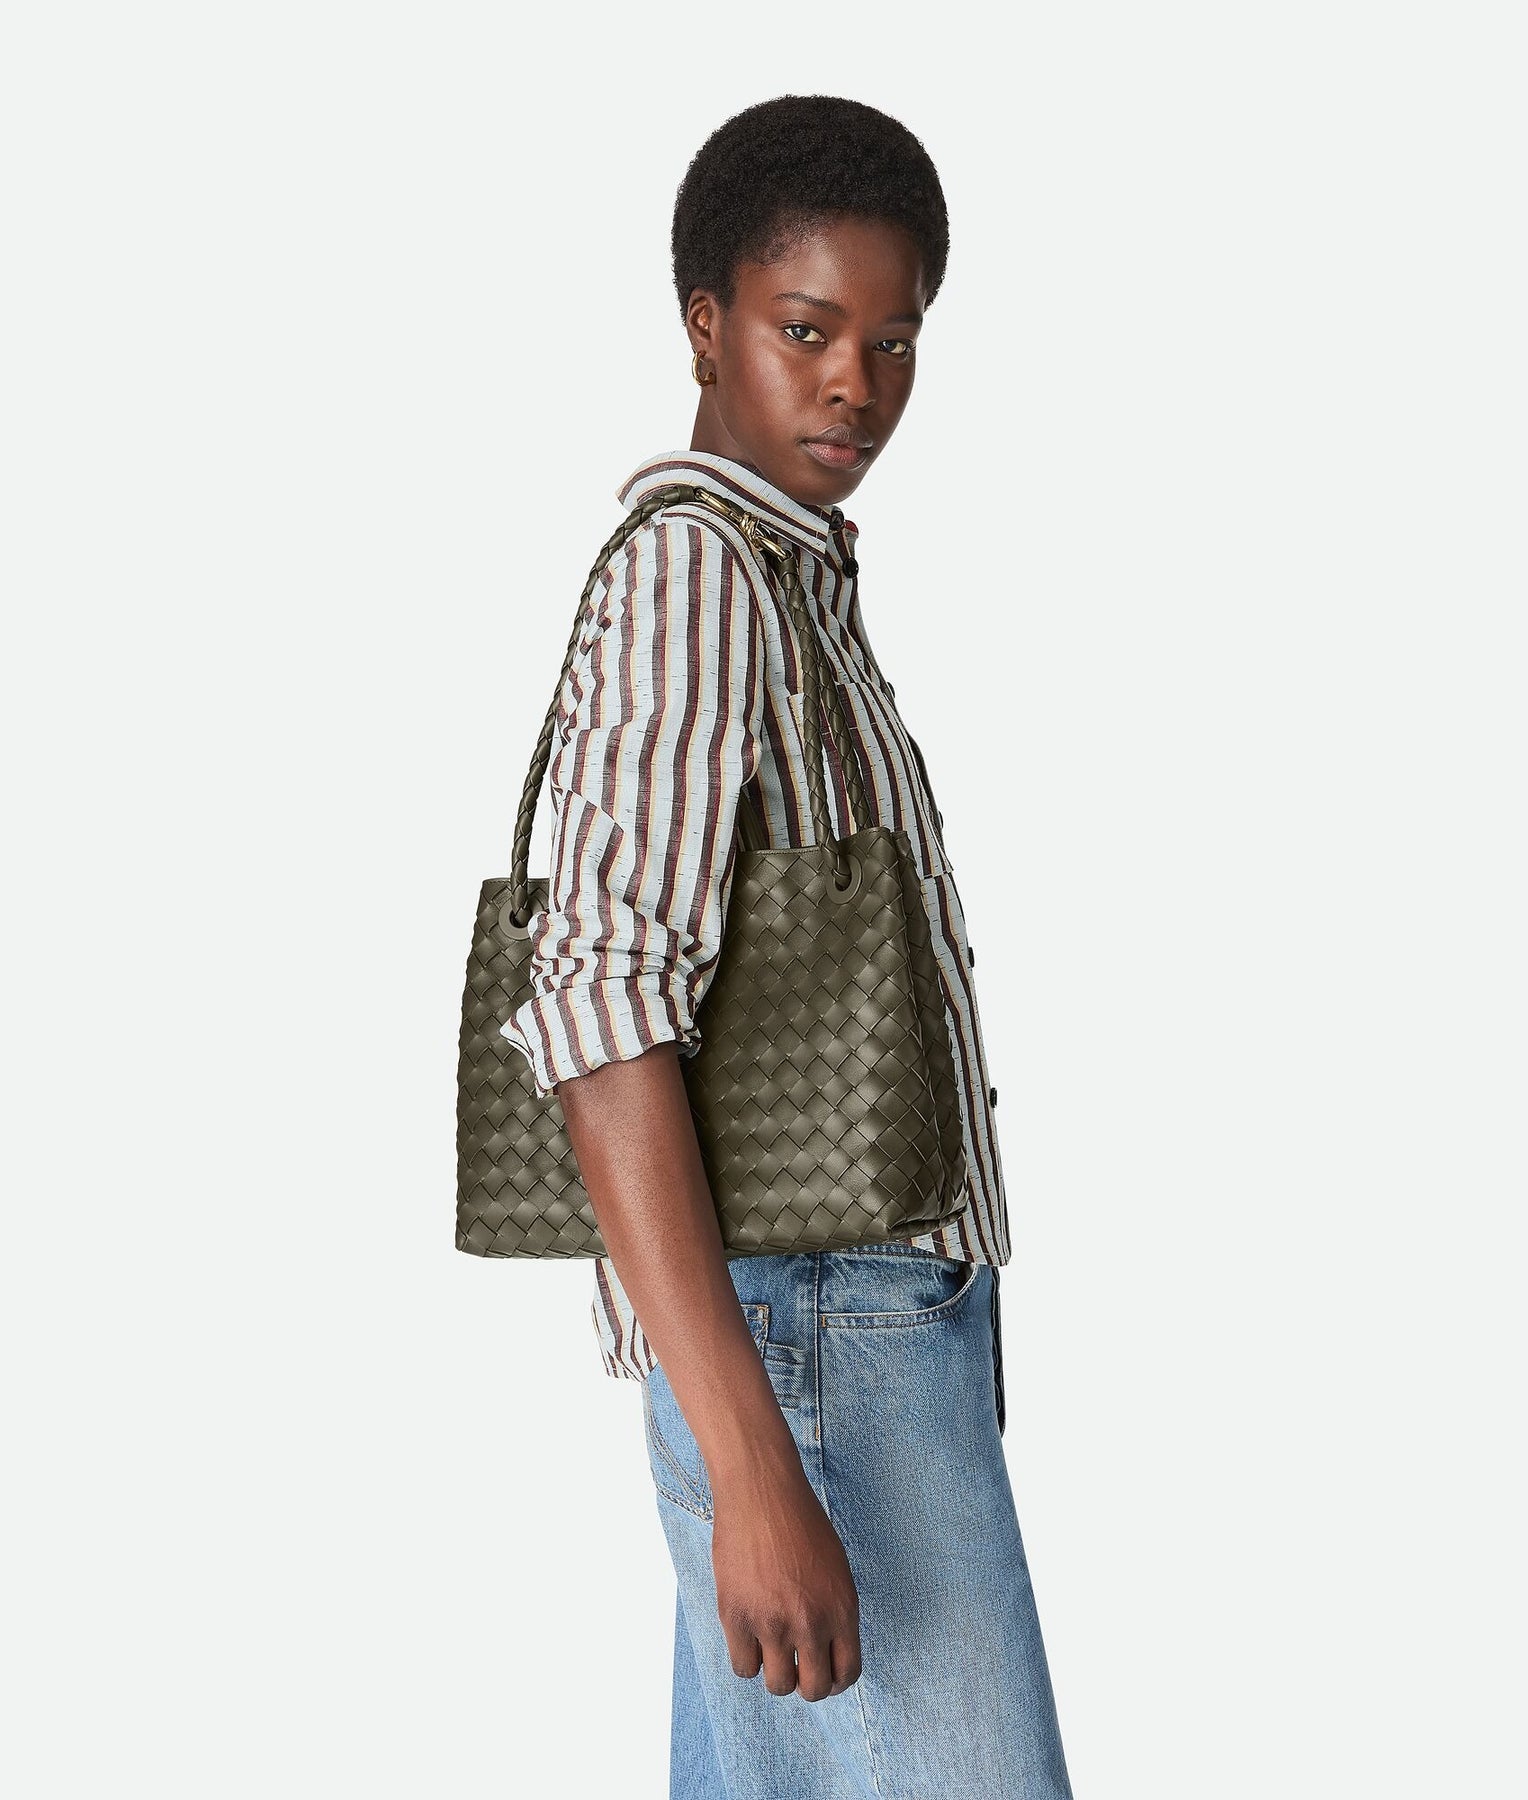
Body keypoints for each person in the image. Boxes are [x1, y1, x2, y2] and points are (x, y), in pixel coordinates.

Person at [501, 94, 1074, 1799]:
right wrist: (758, 1460)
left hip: (830, 1336)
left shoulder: (784, 583)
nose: (857, 388)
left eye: (895, 343)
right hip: (813, 1339)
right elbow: (603, 1006)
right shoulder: (699, 578)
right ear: (707, 326)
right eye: (807, 331)